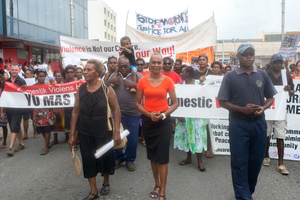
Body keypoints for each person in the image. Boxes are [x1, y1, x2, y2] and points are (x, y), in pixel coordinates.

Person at [217, 44, 277, 200]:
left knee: (256, 161)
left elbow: (270, 97)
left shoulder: (262, 75)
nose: (249, 56)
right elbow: (222, 101)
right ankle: (243, 196)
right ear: (238, 57)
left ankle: (247, 192)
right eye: (245, 54)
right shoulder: (230, 76)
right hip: (239, 124)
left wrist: (263, 107)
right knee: (239, 161)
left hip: (259, 123)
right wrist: (242, 109)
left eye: (252, 54)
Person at [68, 59, 121, 200]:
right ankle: (93, 191)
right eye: (84, 69)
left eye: (88, 70)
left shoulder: (106, 88)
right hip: (85, 132)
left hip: (104, 131)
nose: (85, 72)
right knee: (88, 160)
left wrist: (116, 133)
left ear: (97, 72)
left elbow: (116, 110)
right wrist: (72, 134)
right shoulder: (81, 89)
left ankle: (106, 182)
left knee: (105, 159)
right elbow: (75, 111)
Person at [135, 51, 178, 200]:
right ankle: (157, 184)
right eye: (154, 62)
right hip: (148, 121)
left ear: (162, 64)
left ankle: (163, 191)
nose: (156, 65)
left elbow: (175, 103)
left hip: (164, 121)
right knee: (153, 155)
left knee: (163, 156)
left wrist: (163, 114)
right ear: (149, 63)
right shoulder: (142, 81)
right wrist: (148, 114)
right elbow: (137, 103)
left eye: (159, 62)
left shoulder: (168, 81)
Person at [108, 56, 143, 171]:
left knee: (132, 138)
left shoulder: (138, 76)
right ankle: (119, 157)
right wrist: (109, 81)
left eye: (125, 66)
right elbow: (103, 87)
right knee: (116, 136)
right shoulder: (113, 76)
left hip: (133, 112)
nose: (123, 68)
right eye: (121, 66)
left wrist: (135, 86)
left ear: (130, 65)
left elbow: (147, 89)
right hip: (116, 113)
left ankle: (130, 160)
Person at [263, 54, 294, 175]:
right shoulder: (265, 74)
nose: (277, 64)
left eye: (279, 62)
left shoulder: (286, 75)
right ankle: (266, 156)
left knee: (280, 135)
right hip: (268, 108)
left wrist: (289, 90)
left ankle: (281, 163)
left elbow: (292, 92)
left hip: (280, 110)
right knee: (266, 134)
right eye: (275, 62)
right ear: (271, 63)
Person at [174, 66, 208, 171]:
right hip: (185, 118)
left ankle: (200, 161)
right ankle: (188, 158)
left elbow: (206, 100)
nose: (180, 74)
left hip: (197, 118)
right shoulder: (180, 86)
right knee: (187, 137)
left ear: (188, 73)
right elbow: (177, 102)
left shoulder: (199, 85)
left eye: (182, 72)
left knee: (198, 138)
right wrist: (178, 115)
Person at [1, 64, 27, 156]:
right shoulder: (5, 82)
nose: (14, 71)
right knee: (16, 126)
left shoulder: (22, 81)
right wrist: (1, 112)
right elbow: (3, 97)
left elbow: (25, 96)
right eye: (13, 70)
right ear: (10, 70)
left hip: (18, 108)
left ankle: (10, 148)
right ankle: (22, 144)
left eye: (16, 70)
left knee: (13, 126)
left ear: (18, 70)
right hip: (9, 108)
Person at [194, 54, 214, 158]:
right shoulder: (194, 72)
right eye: (200, 60)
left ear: (207, 61)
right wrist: (199, 81)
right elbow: (191, 85)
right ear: (198, 61)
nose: (202, 61)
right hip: (196, 102)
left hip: (207, 102)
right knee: (197, 126)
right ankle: (197, 147)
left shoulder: (211, 73)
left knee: (207, 126)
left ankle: (207, 149)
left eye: (204, 60)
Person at [33, 69, 56, 155]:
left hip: (47, 110)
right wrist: (24, 87)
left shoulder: (49, 86)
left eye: (43, 76)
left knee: (47, 129)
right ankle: (48, 142)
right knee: (41, 129)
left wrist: (54, 85)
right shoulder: (33, 87)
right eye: (40, 76)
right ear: (37, 77)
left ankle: (46, 146)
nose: (41, 78)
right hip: (37, 111)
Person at [50, 71, 66, 146]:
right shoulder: (51, 85)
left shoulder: (65, 85)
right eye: (56, 76)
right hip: (55, 106)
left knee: (64, 121)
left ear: (62, 77)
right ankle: (55, 139)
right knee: (55, 122)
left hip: (63, 106)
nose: (58, 77)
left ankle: (67, 136)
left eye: (59, 76)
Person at [22, 68, 38, 139]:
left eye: (28, 73)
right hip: (25, 102)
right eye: (26, 73)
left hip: (33, 102)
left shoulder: (36, 81)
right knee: (25, 118)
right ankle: (25, 134)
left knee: (34, 118)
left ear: (32, 74)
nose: (26, 75)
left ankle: (35, 132)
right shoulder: (23, 81)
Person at [0, 74, 8, 149]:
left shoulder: (4, 89)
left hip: (3, 110)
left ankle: (5, 141)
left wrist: (2, 112)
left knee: (4, 126)